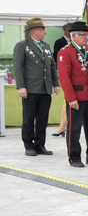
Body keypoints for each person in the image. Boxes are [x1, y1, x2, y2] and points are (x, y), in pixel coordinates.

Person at [56, 21, 88, 167]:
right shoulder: (65, 51)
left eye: (87, 34)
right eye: (84, 35)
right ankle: (74, 157)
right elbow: (64, 77)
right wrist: (71, 98)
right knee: (74, 128)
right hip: (76, 96)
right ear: (74, 35)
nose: (87, 37)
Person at [13, 17, 59, 156]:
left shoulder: (46, 46)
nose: (45, 32)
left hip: (45, 88)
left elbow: (52, 66)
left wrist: (55, 84)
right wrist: (21, 86)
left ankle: (40, 144)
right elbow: (18, 67)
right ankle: (29, 145)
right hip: (30, 88)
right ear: (35, 30)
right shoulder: (22, 45)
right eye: (43, 29)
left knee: (42, 118)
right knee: (28, 117)